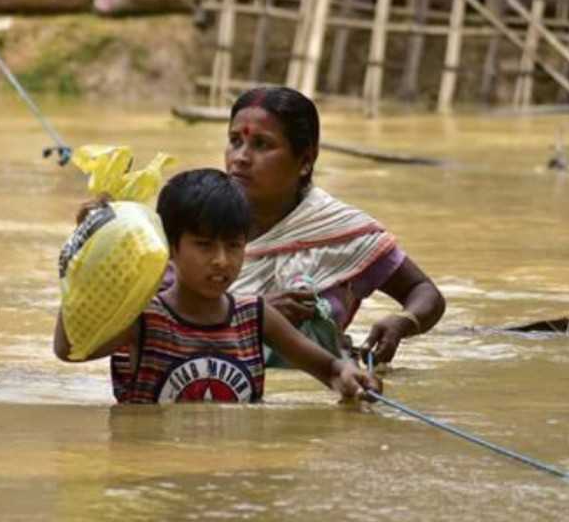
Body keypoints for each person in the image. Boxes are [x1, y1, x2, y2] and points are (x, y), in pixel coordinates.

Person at [54, 168, 381, 404]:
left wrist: (351, 378)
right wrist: (81, 271)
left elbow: (331, 370)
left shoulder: (255, 316)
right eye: (205, 245)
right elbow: (69, 351)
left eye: (234, 246)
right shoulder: (145, 320)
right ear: (171, 248)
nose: (222, 260)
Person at [225, 86, 445, 366]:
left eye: (261, 145)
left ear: (305, 161)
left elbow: (425, 291)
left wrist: (403, 322)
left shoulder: (343, 232)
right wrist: (253, 312)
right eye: (235, 141)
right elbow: (162, 313)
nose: (240, 157)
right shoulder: (199, 222)